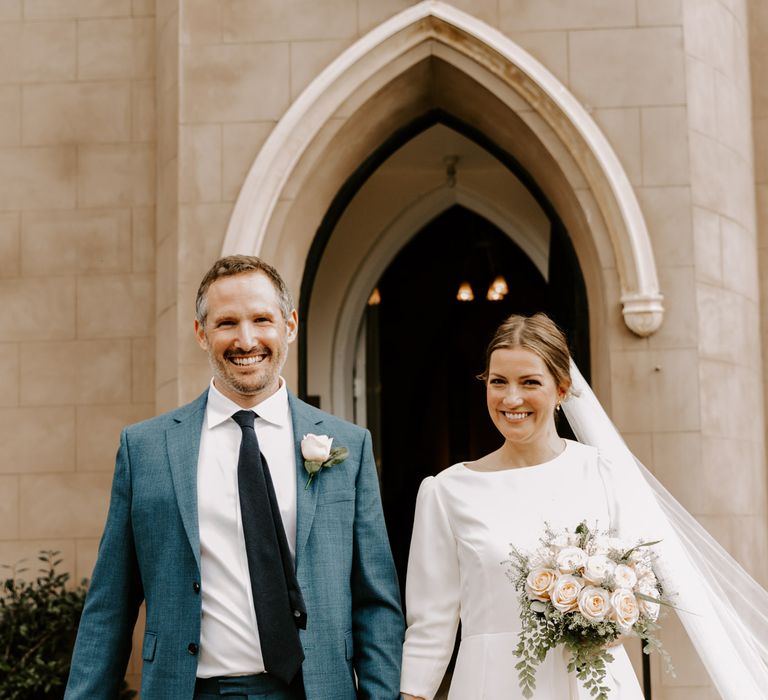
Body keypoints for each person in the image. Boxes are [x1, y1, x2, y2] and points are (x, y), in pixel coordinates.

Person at [65, 255, 404, 700]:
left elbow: (376, 603)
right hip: (190, 691)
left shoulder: (349, 446)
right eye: (226, 323)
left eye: (262, 319)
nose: (246, 340)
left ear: (289, 325)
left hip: (315, 690)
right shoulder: (144, 449)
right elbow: (109, 605)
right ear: (201, 333)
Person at [400, 313, 768, 699]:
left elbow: (646, 589)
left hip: (596, 685)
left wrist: (610, 616)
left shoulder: (603, 472)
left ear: (560, 390)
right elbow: (430, 624)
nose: (511, 399)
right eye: (498, 382)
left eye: (529, 382)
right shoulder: (447, 491)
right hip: (492, 683)